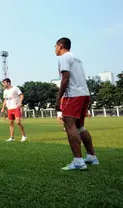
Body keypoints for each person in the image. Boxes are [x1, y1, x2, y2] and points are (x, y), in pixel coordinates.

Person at [54, 37, 99, 171]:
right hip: (84, 94)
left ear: (60, 46)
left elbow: (65, 78)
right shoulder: (77, 59)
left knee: (69, 125)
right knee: (80, 126)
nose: (55, 49)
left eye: (55, 46)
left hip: (73, 95)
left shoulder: (63, 58)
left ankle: (78, 161)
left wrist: (58, 98)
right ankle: (91, 156)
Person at [1, 78, 27, 142]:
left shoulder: (15, 88)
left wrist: (20, 102)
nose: (3, 84)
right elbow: (5, 100)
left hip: (16, 107)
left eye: (4, 83)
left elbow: (21, 95)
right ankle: (12, 138)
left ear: (8, 83)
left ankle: (24, 136)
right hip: (9, 109)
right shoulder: (5, 91)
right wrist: (3, 108)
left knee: (18, 122)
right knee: (11, 123)